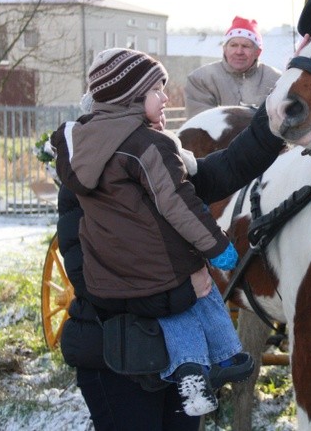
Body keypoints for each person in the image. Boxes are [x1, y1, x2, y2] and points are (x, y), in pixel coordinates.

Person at [52, 48, 285, 427]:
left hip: (175, 356)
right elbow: (95, 282)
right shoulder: (87, 179)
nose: (166, 98)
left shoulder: (158, 157)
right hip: (118, 354)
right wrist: (187, 289)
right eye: (156, 90)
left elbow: (223, 170)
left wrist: (272, 124)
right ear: (130, 99)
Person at [183, 16, 281, 119]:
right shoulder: (201, 79)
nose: (239, 52)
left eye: (246, 46)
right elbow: (200, 124)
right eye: (233, 45)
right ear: (224, 49)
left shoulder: (276, 80)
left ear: (258, 52)